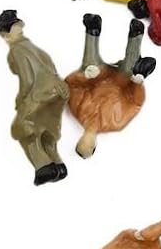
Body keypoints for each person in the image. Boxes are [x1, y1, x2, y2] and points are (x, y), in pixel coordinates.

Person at [65, 13, 156, 158]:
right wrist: (137, 83)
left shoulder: (78, 111)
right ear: (95, 146)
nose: (86, 140)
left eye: (81, 143)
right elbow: (135, 103)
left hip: (99, 76)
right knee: (130, 69)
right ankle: (136, 34)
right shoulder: (117, 123)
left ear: (79, 139)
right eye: (89, 146)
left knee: (89, 65)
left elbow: (71, 85)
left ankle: (93, 29)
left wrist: (85, 77)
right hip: (121, 82)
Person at [0, 10, 69, 185]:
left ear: (7, 34)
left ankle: (43, 167)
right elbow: (51, 67)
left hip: (40, 91)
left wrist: (22, 99)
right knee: (47, 126)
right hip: (59, 89)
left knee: (23, 127)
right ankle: (58, 165)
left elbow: (28, 78)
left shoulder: (16, 50)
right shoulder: (35, 48)